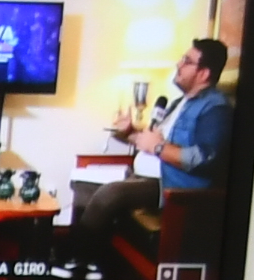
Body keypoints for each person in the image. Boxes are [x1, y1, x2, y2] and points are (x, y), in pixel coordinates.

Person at [75, 39, 236, 233]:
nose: (179, 64)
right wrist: (129, 132)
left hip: (170, 187)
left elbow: (204, 158)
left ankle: (77, 257)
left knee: (109, 195)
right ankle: (91, 260)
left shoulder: (215, 108)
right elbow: (149, 142)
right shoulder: (179, 103)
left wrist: (158, 147)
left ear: (204, 73)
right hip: (146, 176)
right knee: (84, 185)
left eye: (187, 61)